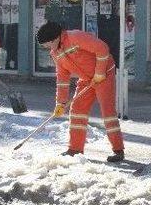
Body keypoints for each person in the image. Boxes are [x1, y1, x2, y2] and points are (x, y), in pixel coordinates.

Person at [36, 22, 124, 162]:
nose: (46, 48)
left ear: (54, 39)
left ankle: (118, 150)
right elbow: (62, 78)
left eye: (46, 44)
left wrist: (100, 72)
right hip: (86, 78)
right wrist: (61, 103)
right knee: (76, 109)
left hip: (104, 73)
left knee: (107, 112)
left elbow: (102, 49)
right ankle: (75, 149)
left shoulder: (75, 37)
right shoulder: (55, 53)